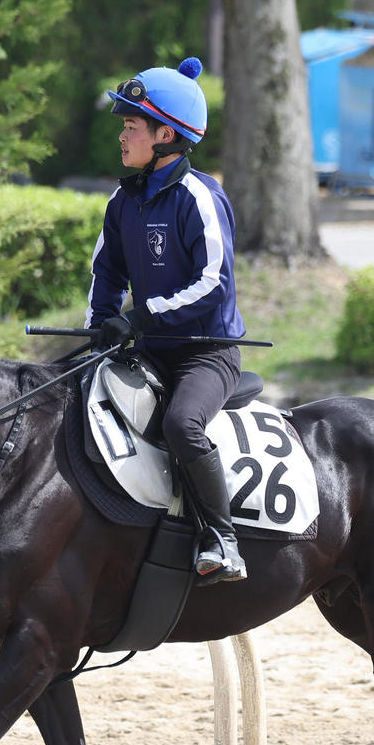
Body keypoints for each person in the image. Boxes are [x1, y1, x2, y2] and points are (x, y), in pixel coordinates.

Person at [85, 56, 248, 584]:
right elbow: (105, 272)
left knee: (181, 424)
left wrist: (141, 316)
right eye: (124, 126)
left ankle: (223, 538)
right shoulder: (123, 200)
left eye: (131, 126)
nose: (123, 136)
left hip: (206, 352)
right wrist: (100, 328)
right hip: (148, 349)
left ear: (165, 135)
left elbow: (213, 281)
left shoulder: (200, 196)